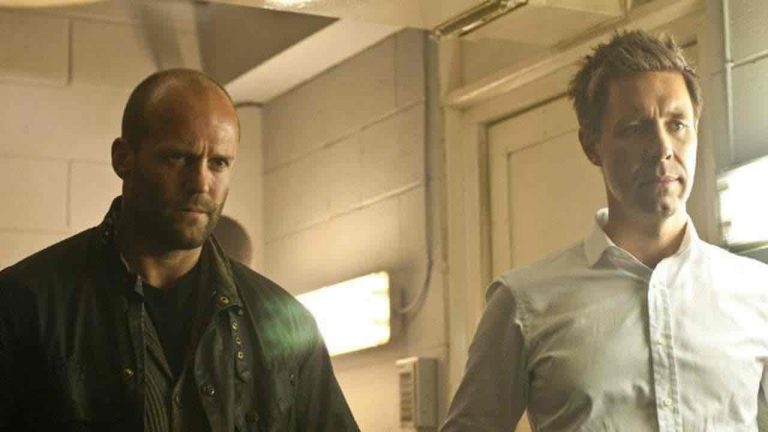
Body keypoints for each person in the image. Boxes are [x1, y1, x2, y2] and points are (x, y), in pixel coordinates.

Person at [441, 31, 768, 431]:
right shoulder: (524, 302)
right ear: (592, 145)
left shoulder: (758, 292)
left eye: (677, 124)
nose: (662, 147)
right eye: (635, 128)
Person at [0, 69, 359, 432]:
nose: (201, 182)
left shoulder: (286, 324)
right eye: (177, 158)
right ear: (123, 158)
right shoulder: (24, 304)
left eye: (218, 163)